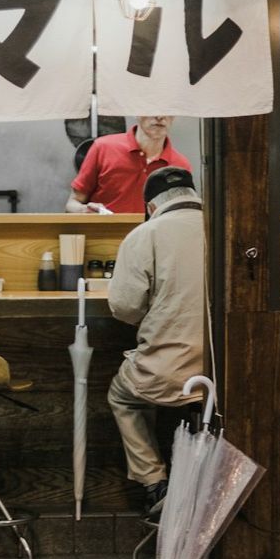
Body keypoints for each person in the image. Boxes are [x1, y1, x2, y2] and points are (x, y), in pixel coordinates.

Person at [106, 166, 208, 516]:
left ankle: (156, 482)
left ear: (151, 206)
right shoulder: (227, 228)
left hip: (167, 373)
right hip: (222, 374)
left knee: (125, 396)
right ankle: (204, 482)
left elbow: (125, 309)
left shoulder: (145, 235)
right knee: (205, 405)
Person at [66, 115, 191, 214]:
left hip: (153, 242)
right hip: (106, 239)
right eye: (151, 107)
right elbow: (72, 203)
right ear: (135, 111)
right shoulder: (103, 148)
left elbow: (182, 214)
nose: (160, 116)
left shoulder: (180, 165)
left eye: (168, 109)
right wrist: (83, 210)